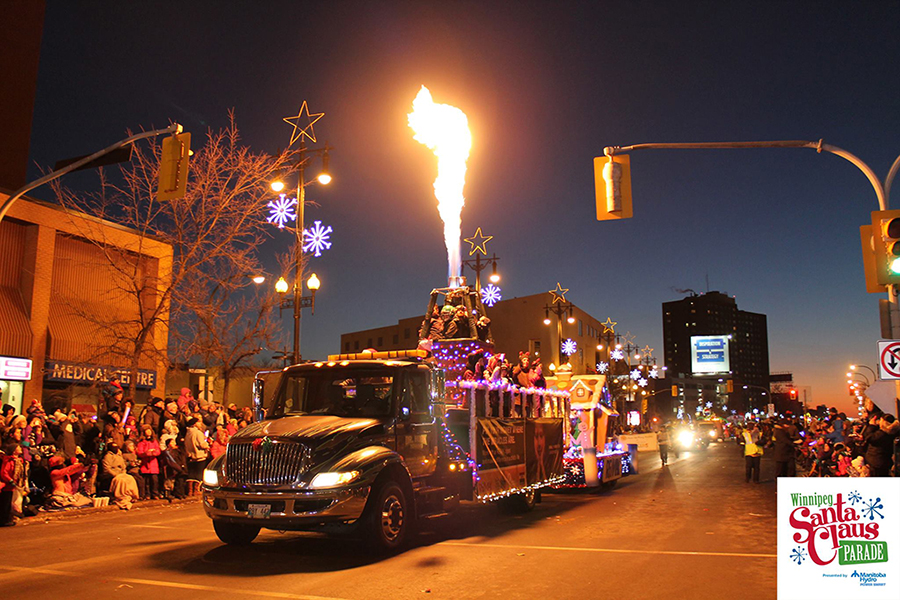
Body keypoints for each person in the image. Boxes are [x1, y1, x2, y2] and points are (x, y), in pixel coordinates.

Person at [136, 426, 162, 499]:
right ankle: (147, 494)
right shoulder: (141, 443)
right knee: (147, 481)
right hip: (145, 464)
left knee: (154, 480)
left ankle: (155, 493)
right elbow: (140, 452)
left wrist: (152, 453)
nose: (148, 432)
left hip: (153, 463)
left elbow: (158, 451)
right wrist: (147, 453)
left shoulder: (154, 441)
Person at [184, 417, 210, 490]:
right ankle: (196, 490)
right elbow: (202, 444)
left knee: (191, 474)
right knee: (198, 474)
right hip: (199, 455)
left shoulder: (188, 432)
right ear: (195, 424)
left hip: (190, 456)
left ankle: (190, 490)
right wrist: (207, 444)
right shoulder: (198, 433)